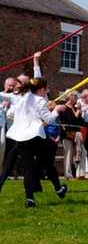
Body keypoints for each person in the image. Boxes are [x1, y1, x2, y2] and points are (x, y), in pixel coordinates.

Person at [0, 78, 67, 207]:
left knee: (28, 169)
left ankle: (30, 198)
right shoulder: (40, 100)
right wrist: (57, 110)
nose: (46, 92)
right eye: (46, 90)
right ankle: (58, 189)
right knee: (48, 162)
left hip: (20, 138)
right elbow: (49, 119)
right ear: (41, 90)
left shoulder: (18, 98)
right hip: (35, 137)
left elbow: (2, 97)